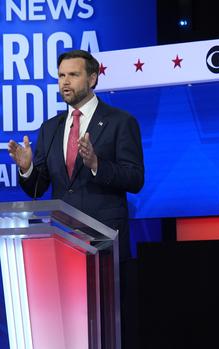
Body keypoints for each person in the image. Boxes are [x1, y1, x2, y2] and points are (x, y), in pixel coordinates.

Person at [7, 49, 144, 347]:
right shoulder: (51, 128)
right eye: (60, 76)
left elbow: (135, 179)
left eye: (73, 74)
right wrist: (28, 168)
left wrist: (96, 164)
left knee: (107, 333)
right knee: (68, 333)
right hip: (62, 245)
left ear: (92, 78)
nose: (65, 82)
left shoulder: (121, 122)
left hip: (105, 247)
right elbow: (37, 190)